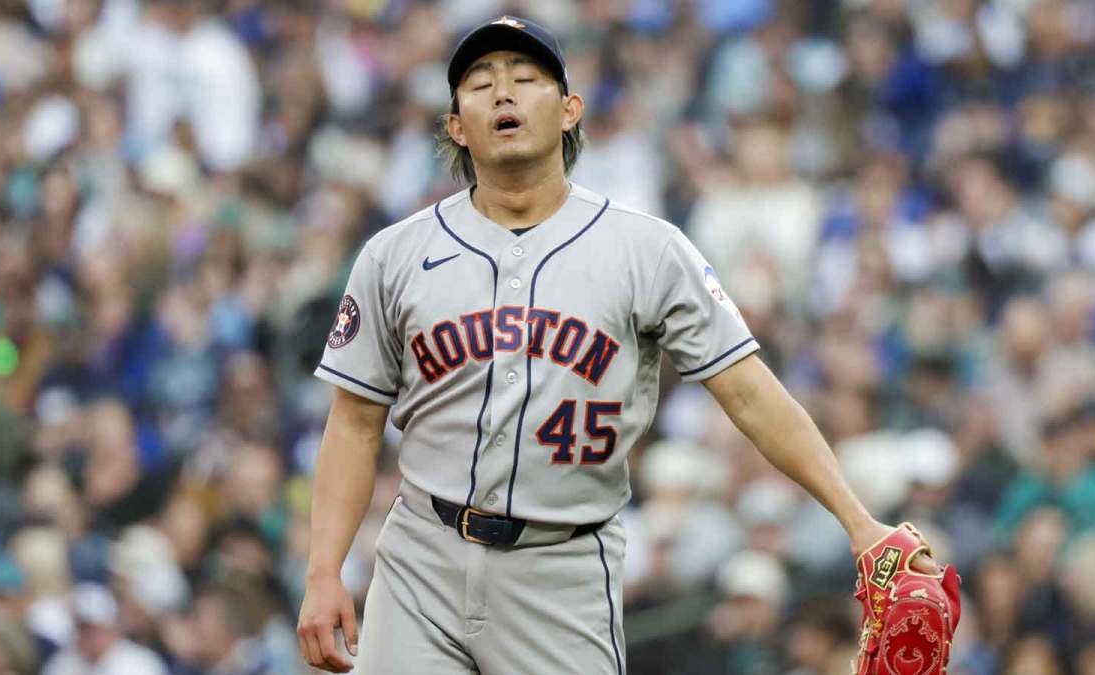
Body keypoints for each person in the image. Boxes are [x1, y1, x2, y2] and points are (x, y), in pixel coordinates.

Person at [296, 15, 940, 674]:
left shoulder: (647, 250)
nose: (503, 92)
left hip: (562, 568)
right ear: (456, 125)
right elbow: (354, 423)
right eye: (481, 83)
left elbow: (749, 392)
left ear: (570, 111)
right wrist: (323, 571)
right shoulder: (394, 255)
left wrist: (859, 521)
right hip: (420, 559)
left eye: (526, 78)